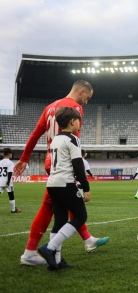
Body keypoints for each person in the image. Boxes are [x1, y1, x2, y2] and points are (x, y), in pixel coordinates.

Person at [14, 80, 108, 266]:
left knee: (62, 206)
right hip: (64, 163)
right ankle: (33, 252)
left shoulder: (50, 107)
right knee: (58, 206)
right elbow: (74, 142)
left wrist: (25, 158)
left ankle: (85, 242)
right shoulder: (74, 109)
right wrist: (81, 177)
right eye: (87, 98)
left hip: (52, 159)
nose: (86, 102)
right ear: (81, 92)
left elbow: (34, 135)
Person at [37, 107, 91, 271]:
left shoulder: (55, 139)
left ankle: (56, 262)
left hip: (52, 184)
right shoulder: (73, 139)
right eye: (78, 121)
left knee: (60, 221)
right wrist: (86, 188)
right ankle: (50, 248)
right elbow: (78, 165)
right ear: (72, 121)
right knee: (81, 216)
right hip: (65, 183)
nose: (79, 125)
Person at [0, 148, 21, 213]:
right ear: (9, 154)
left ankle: (14, 209)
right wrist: (8, 182)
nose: (11, 155)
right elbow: (9, 173)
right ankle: (13, 210)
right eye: (11, 153)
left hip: (0, 181)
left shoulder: (0, 162)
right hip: (7, 182)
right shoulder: (10, 162)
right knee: (11, 195)